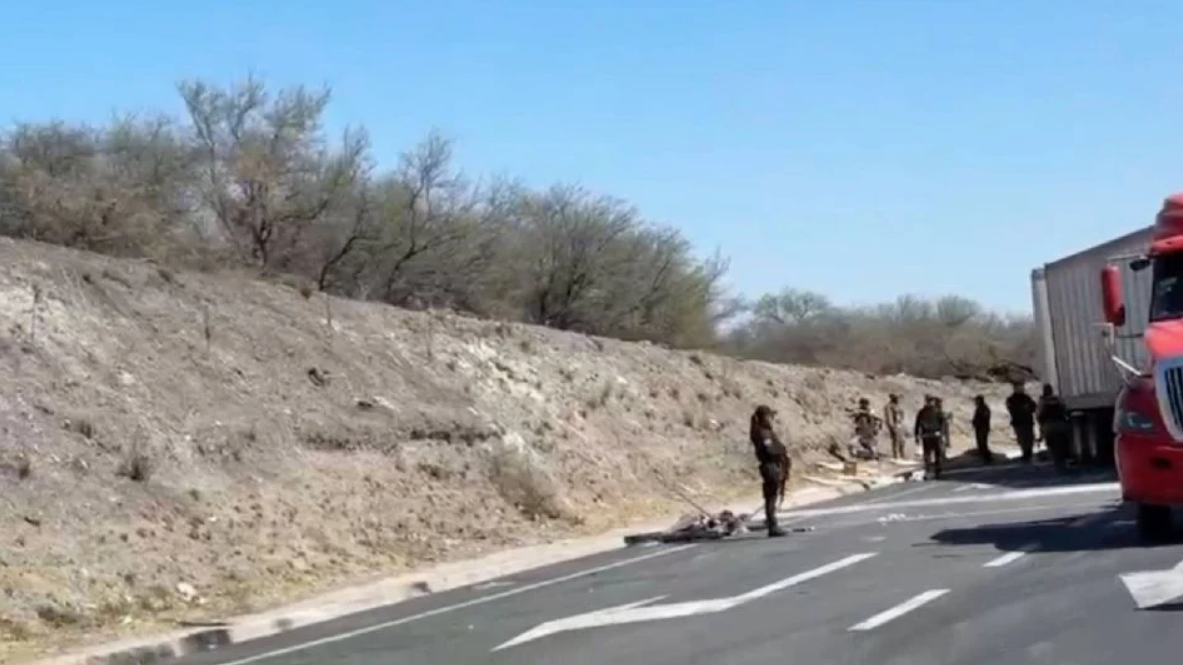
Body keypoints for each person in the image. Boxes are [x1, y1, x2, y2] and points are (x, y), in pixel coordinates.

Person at [749, 405, 788, 538]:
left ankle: (771, 521)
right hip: (770, 466)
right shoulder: (763, 432)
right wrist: (781, 451)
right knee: (771, 497)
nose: (772, 419)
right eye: (770, 416)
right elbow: (770, 449)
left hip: (771, 466)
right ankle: (772, 524)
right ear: (765, 417)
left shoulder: (763, 431)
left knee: (771, 496)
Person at [1037, 384, 1072, 473]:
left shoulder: (1042, 401)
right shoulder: (1057, 399)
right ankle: (1064, 461)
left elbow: (1039, 415)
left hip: (1049, 426)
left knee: (1052, 445)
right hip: (1061, 425)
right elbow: (1065, 409)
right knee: (1064, 443)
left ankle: (1057, 463)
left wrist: (1041, 430)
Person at [1005, 383, 1039, 463]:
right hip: (1019, 422)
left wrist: (1027, 408)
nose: (1022, 389)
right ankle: (1025, 453)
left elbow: (1033, 407)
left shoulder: (1026, 398)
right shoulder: (1012, 399)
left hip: (1027, 422)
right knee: (1022, 438)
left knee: (1029, 438)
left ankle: (1028, 452)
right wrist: (1023, 408)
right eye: (1020, 388)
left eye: (1022, 388)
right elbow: (1011, 409)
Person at [914, 395, 945, 479]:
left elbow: (942, 422)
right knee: (931, 453)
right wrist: (917, 435)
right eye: (929, 401)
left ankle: (933, 470)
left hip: (930, 435)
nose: (930, 402)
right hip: (931, 435)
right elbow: (917, 424)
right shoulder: (933, 411)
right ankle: (933, 470)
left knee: (931, 454)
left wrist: (916, 435)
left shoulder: (924, 411)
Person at [883, 394, 906, 459]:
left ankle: (902, 454)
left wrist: (901, 422)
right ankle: (896, 455)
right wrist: (892, 426)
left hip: (900, 424)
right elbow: (889, 417)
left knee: (903, 441)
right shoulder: (889, 406)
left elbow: (902, 415)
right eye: (897, 398)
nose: (898, 399)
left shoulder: (898, 406)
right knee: (896, 440)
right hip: (894, 425)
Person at [972, 395, 993, 463]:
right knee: (980, 442)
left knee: (983, 443)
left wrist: (978, 422)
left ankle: (987, 457)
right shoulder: (979, 408)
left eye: (977, 401)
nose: (975, 402)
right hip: (979, 428)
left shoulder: (984, 408)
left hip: (983, 428)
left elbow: (985, 418)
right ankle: (983, 456)